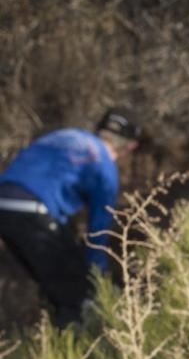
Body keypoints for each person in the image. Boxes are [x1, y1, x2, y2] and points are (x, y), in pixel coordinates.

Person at [0, 107, 141, 327]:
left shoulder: (66, 136)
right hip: (33, 211)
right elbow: (98, 232)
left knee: (56, 280)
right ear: (130, 146)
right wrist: (97, 281)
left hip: (5, 205)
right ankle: (73, 349)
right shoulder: (105, 168)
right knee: (76, 295)